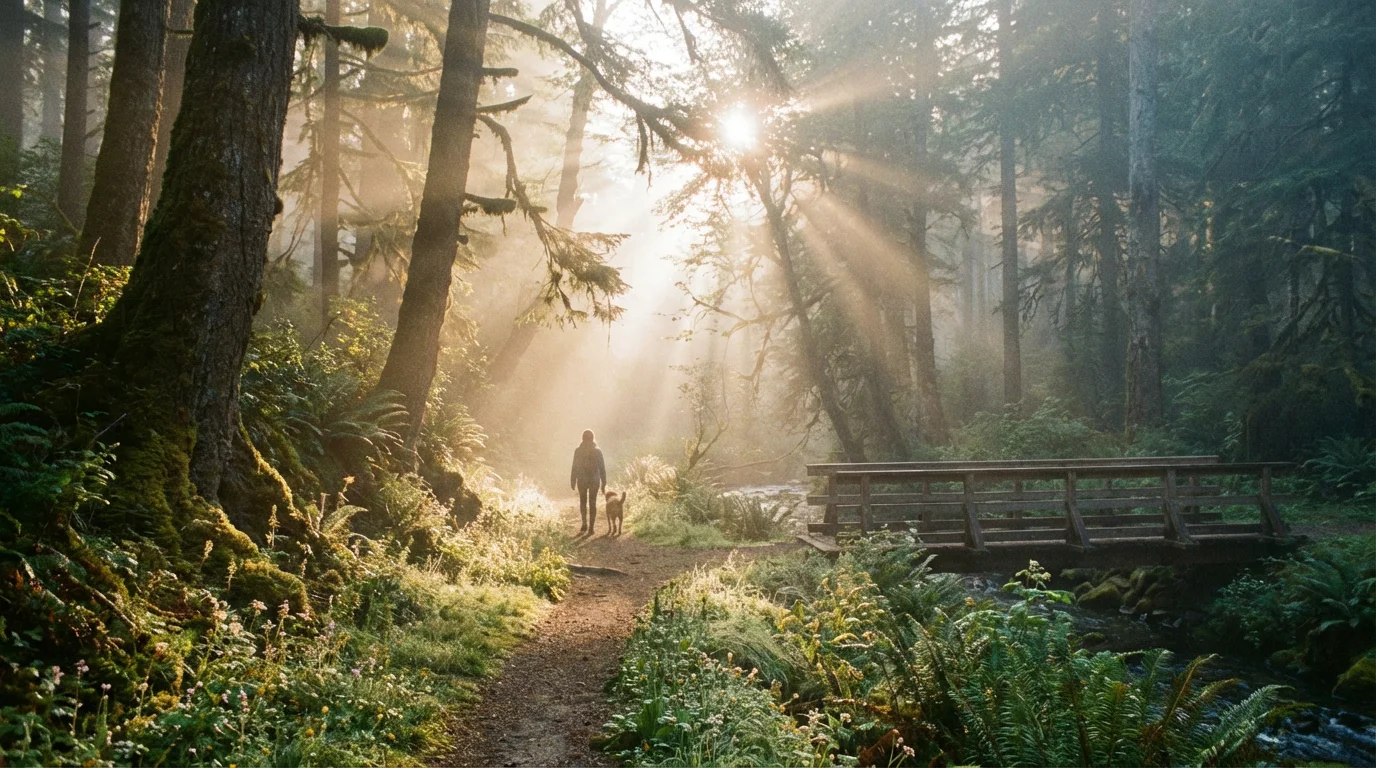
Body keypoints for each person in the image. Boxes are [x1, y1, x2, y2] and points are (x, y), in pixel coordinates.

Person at [570, 429, 607, 534]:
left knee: (583, 501)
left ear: (582, 438)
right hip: (594, 479)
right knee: (593, 502)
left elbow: (574, 467)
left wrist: (573, 480)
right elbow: (602, 468)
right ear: (593, 438)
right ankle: (591, 527)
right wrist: (604, 482)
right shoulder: (597, 451)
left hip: (582, 479)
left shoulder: (578, 451)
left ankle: (584, 523)